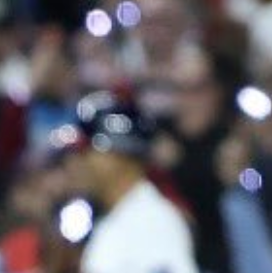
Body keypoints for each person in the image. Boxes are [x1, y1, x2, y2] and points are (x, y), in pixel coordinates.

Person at [54, 91, 198, 273]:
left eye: (84, 152)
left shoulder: (153, 222)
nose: (73, 163)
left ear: (119, 157)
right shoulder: (118, 216)